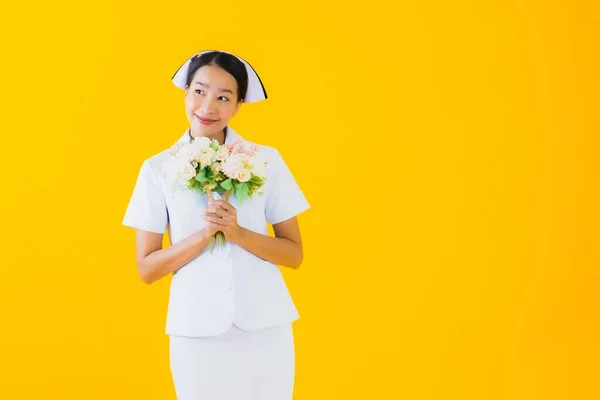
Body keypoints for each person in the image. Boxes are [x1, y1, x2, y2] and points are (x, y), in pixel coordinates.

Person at [122, 50, 311, 400]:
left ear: (238, 105)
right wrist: (204, 235)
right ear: (186, 93)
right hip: (195, 328)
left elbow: (294, 254)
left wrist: (237, 233)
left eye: (223, 97)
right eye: (199, 91)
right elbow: (147, 269)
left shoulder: (265, 160)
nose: (208, 106)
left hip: (265, 327)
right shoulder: (157, 168)